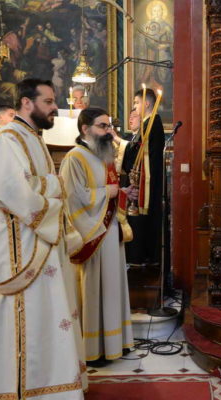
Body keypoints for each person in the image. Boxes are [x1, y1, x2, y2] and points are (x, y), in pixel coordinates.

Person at [0, 78, 87, 399]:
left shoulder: (34, 138)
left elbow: (42, 184)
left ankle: (49, 387)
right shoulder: (7, 138)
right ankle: (16, 387)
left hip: (41, 243)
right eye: (49, 101)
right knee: (22, 315)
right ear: (26, 103)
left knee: (48, 315)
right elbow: (11, 190)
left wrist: (48, 187)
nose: (55, 107)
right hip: (23, 248)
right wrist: (53, 192)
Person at [60, 107, 134, 368]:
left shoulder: (103, 156)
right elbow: (72, 197)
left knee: (113, 288)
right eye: (103, 126)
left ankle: (115, 343)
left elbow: (109, 191)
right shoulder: (74, 158)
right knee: (94, 290)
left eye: (109, 126)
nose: (109, 131)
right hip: (92, 234)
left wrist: (122, 193)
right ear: (85, 129)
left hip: (110, 231)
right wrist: (109, 192)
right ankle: (94, 349)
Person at [113, 88, 164, 268]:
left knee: (143, 219)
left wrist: (117, 140)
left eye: (136, 102)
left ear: (147, 103)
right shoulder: (147, 124)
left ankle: (143, 257)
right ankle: (137, 257)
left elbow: (137, 152)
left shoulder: (152, 123)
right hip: (141, 179)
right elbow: (135, 149)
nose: (134, 107)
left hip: (147, 182)